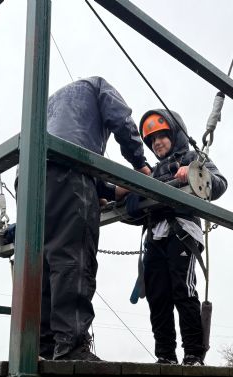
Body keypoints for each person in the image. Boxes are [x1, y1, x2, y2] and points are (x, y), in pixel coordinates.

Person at [39, 76, 150, 361]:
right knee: (72, 258)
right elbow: (122, 121)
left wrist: (106, 190)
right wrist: (140, 164)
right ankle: (71, 347)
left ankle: (44, 348)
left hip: (30, 175)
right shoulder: (98, 86)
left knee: (43, 262)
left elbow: (71, 146)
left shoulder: (49, 106)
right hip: (70, 168)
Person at [136, 109, 227, 365]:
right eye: (152, 140)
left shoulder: (191, 157)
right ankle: (165, 354)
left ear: (174, 135)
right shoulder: (154, 172)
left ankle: (193, 353)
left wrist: (194, 171)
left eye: (161, 136)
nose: (157, 143)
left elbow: (219, 184)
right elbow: (136, 210)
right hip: (156, 234)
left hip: (182, 231)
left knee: (183, 289)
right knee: (157, 294)